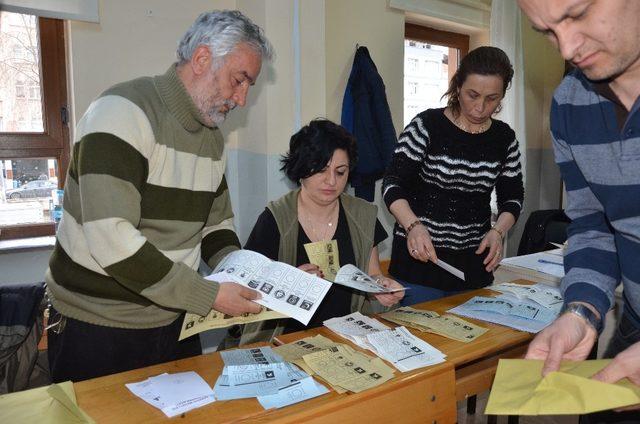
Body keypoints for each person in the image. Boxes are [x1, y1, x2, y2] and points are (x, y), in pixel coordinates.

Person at [45, 10, 274, 383]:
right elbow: (111, 238)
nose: (242, 99)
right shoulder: (121, 112)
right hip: (98, 326)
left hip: (175, 320)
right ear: (202, 59)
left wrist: (252, 274)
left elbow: (215, 224)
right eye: (239, 80)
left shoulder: (213, 139)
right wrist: (208, 294)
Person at [518, 0, 640, 421]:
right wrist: (582, 311)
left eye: (577, 14)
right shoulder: (570, 104)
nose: (567, 49)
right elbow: (593, 223)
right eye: (547, 32)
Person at [227, 119, 404, 346]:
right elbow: (249, 289)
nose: (331, 181)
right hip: (287, 339)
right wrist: (290, 281)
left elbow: (373, 274)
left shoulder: (363, 215)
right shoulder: (275, 218)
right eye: (321, 170)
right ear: (301, 170)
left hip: (347, 336)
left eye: (340, 172)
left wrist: (382, 287)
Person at [382, 46, 524, 306]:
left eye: (492, 98)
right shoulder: (427, 126)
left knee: (471, 344)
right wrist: (412, 225)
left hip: (473, 267)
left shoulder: (504, 139)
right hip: (420, 264)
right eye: (473, 95)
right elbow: (393, 185)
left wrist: (498, 232)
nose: (480, 107)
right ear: (458, 86)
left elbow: (513, 198)